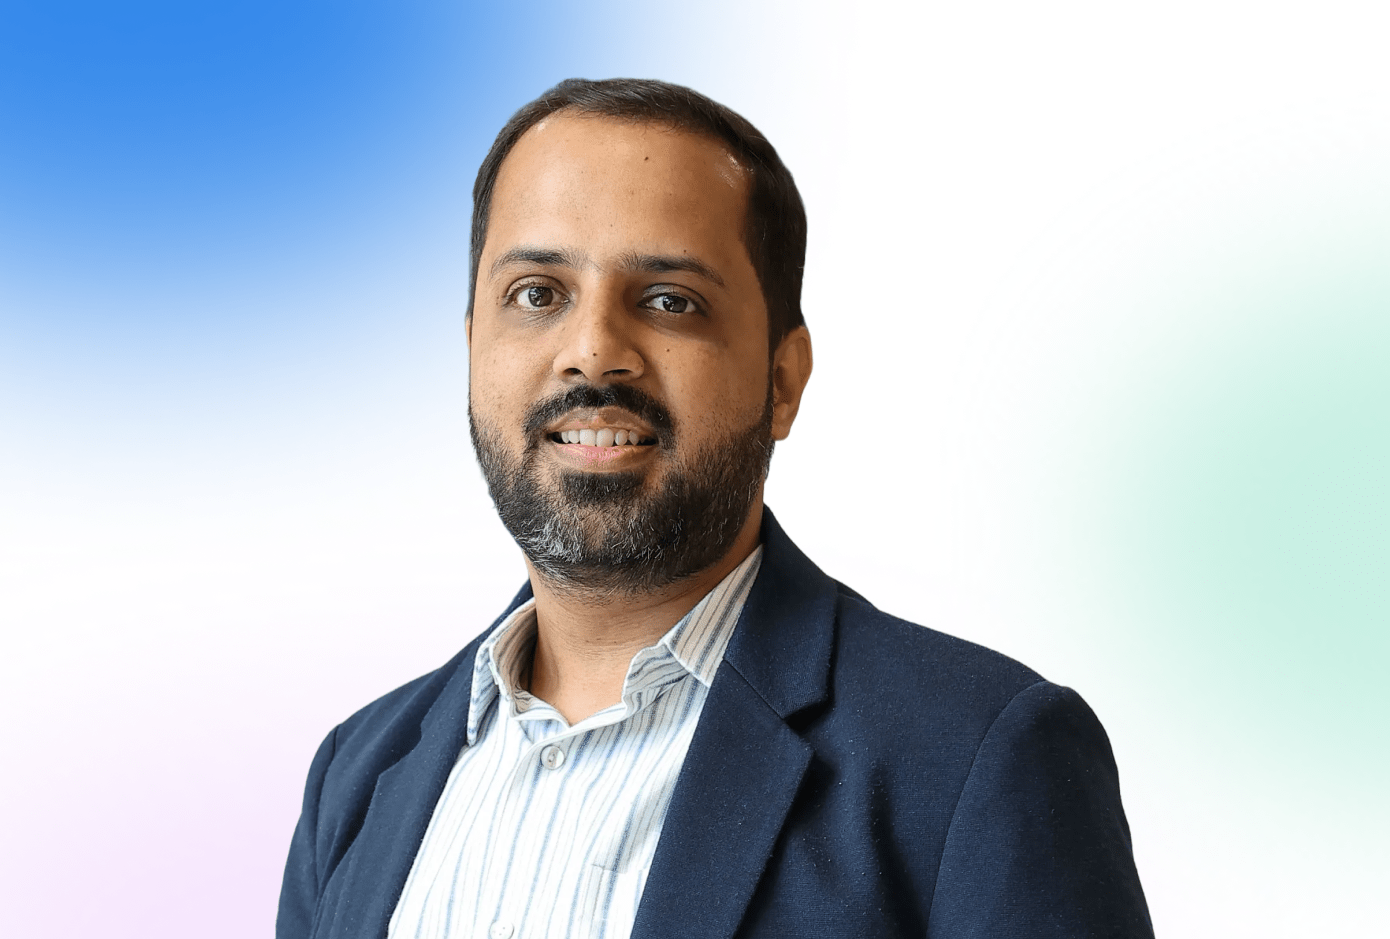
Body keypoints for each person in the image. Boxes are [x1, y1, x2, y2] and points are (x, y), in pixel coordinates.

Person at [277, 78, 1154, 939]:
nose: (593, 351)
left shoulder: (974, 757)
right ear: (473, 345)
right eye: (538, 293)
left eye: (670, 301)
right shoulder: (357, 776)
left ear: (783, 379)